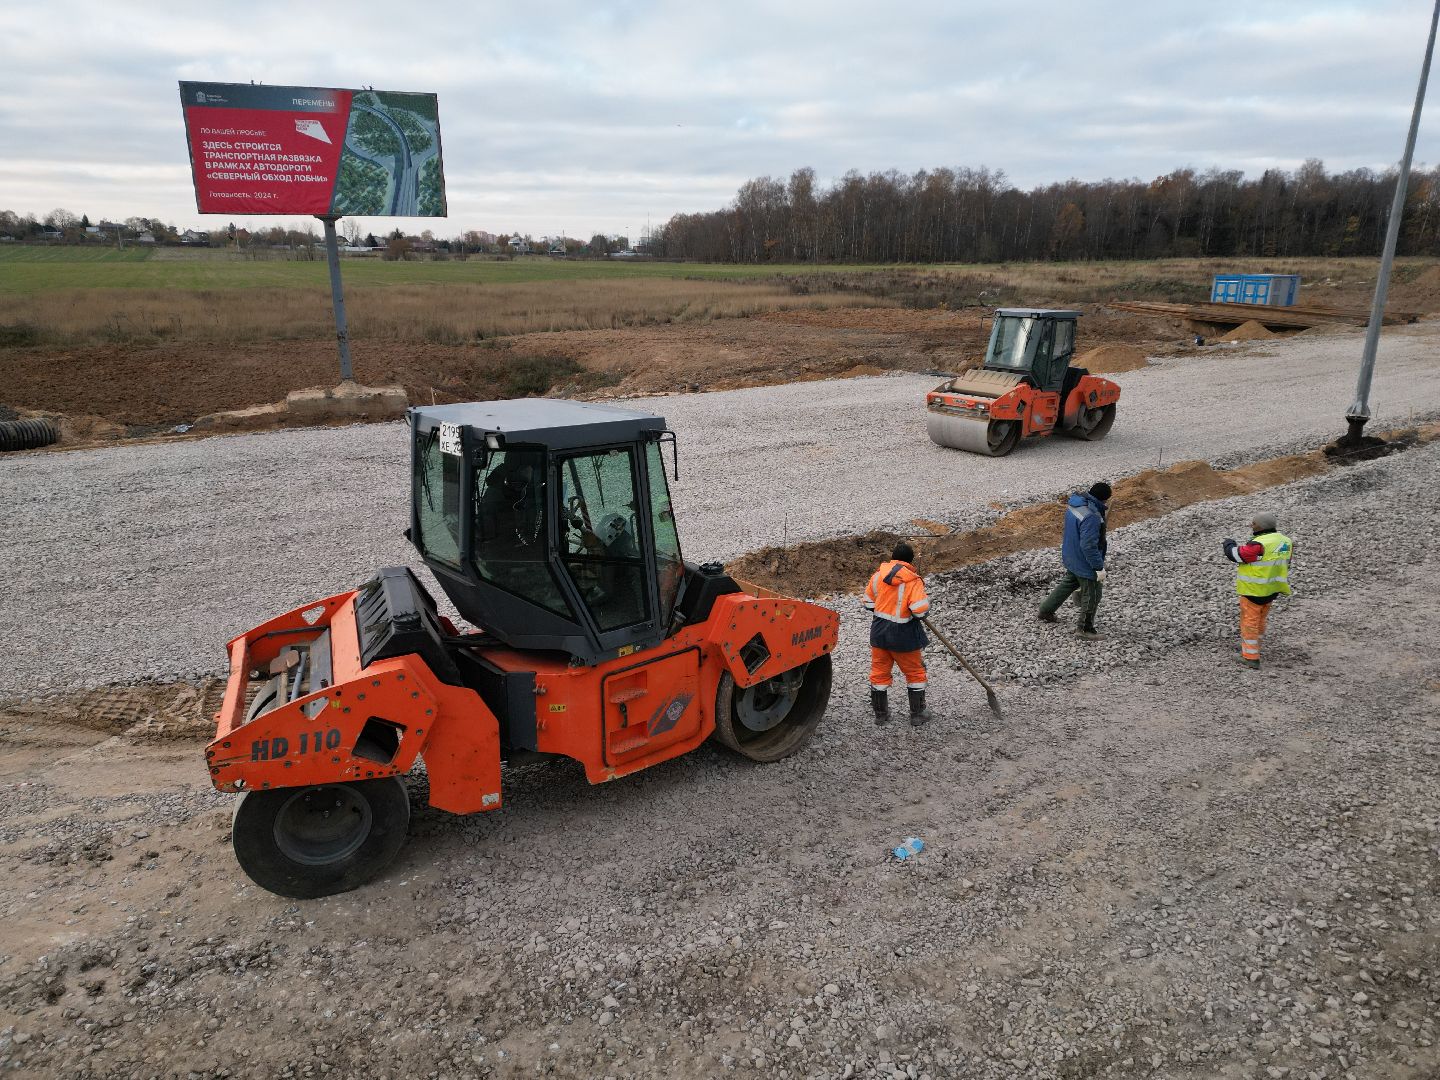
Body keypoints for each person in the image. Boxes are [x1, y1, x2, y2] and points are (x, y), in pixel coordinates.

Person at [864, 542, 932, 726]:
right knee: (915, 673)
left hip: (879, 634)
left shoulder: (878, 576)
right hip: (904, 636)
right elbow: (919, 611)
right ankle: (917, 715)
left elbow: (868, 602)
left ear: (893, 558)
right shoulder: (913, 581)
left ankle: (881, 715)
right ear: (910, 561)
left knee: (879, 673)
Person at [1038, 481, 1111, 639]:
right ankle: (1084, 629)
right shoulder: (1092, 516)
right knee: (1093, 594)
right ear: (1104, 499)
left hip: (1071, 554)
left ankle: (1046, 610)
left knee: (1069, 583)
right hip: (1084, 561)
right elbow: (1088, 546)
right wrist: (1098, 567)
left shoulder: (1076, 504)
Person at [1222, 511, 1293, 669]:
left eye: (1253, 523)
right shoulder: (1286, 541)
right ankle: (1254, 646)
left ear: (1260, 526)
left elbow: (1237, 555)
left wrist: (1228, 544)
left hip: (1254, 591)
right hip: (1272, 589)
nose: (1251, 525)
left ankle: (1251, 657)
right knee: (1260, 620)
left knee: (1249, 622)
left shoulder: (1258, 544)